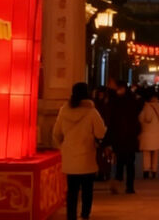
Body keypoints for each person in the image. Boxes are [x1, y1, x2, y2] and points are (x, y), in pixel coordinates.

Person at [52, 82, 106, 220]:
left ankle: (71, 215)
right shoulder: (92, 112)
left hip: (70, 156)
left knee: (72, 190)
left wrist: (63, 147)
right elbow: (100, 133)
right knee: (87, 189)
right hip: (87, 156)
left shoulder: (64, 111)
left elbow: (56, 133)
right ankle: (85, 214)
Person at [104, 79, 141, 194]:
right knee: (122, 162)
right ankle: (123, 185)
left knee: (127, 163)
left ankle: (127, 186)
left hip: (126, 137)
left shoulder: (127, 101)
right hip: (123, 137)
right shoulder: (125, 101)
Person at [138, 87, 159, 178]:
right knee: (155, 154)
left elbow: (141, 119)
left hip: (146, 133)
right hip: (157, 134)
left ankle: (146, 170)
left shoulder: (145, 107)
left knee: (146, 154)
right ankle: (154, 170)